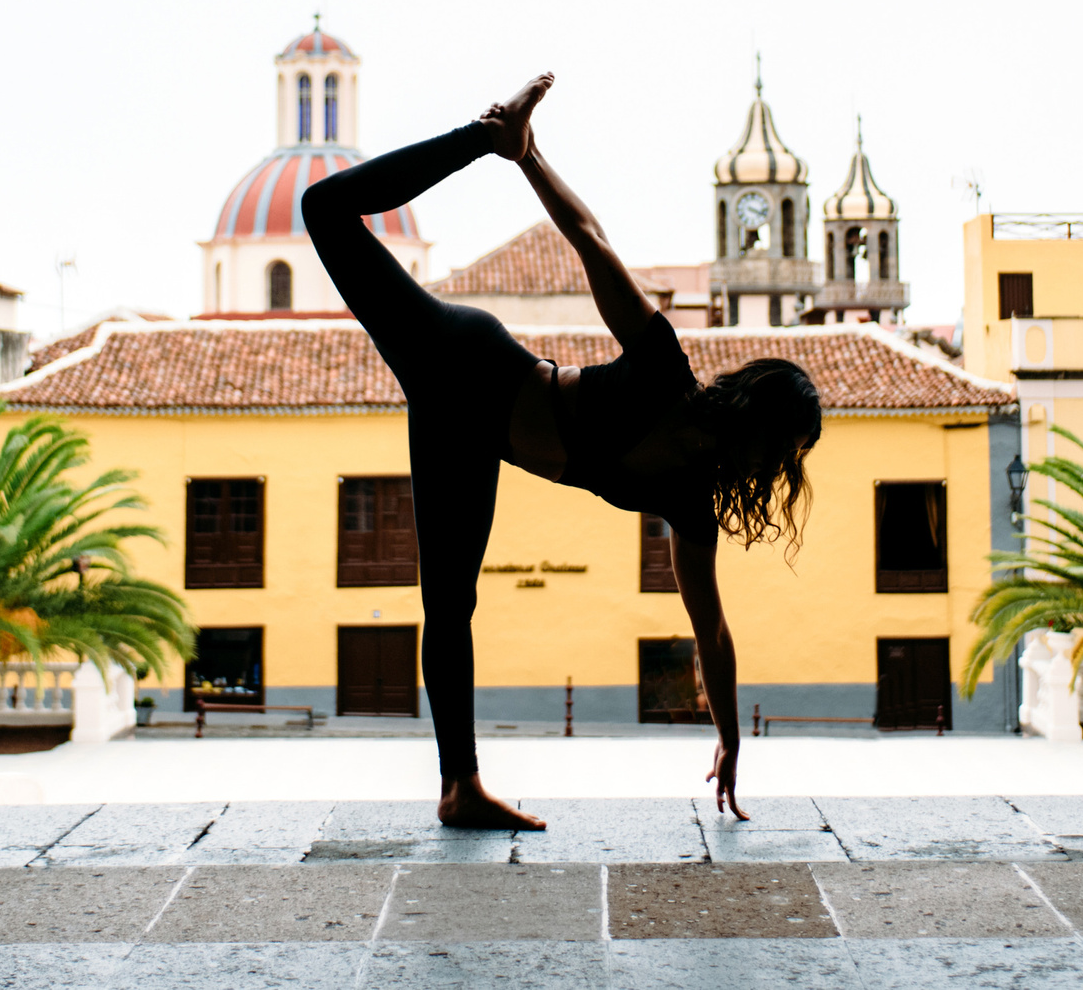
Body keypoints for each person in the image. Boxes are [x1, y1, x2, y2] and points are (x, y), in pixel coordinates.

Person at [301, 72, 822, 829]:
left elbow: (711, 629)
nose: (780, 469)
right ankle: (482, 135)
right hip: (468, 361)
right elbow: (591, 240)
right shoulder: (665, 371)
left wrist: (731, 740)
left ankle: (460, 788)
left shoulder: (691, 503)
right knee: (324, 209)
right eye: (785, 448)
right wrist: (523, 156)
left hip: (473, 431)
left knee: (450, 605)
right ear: (760, 418)